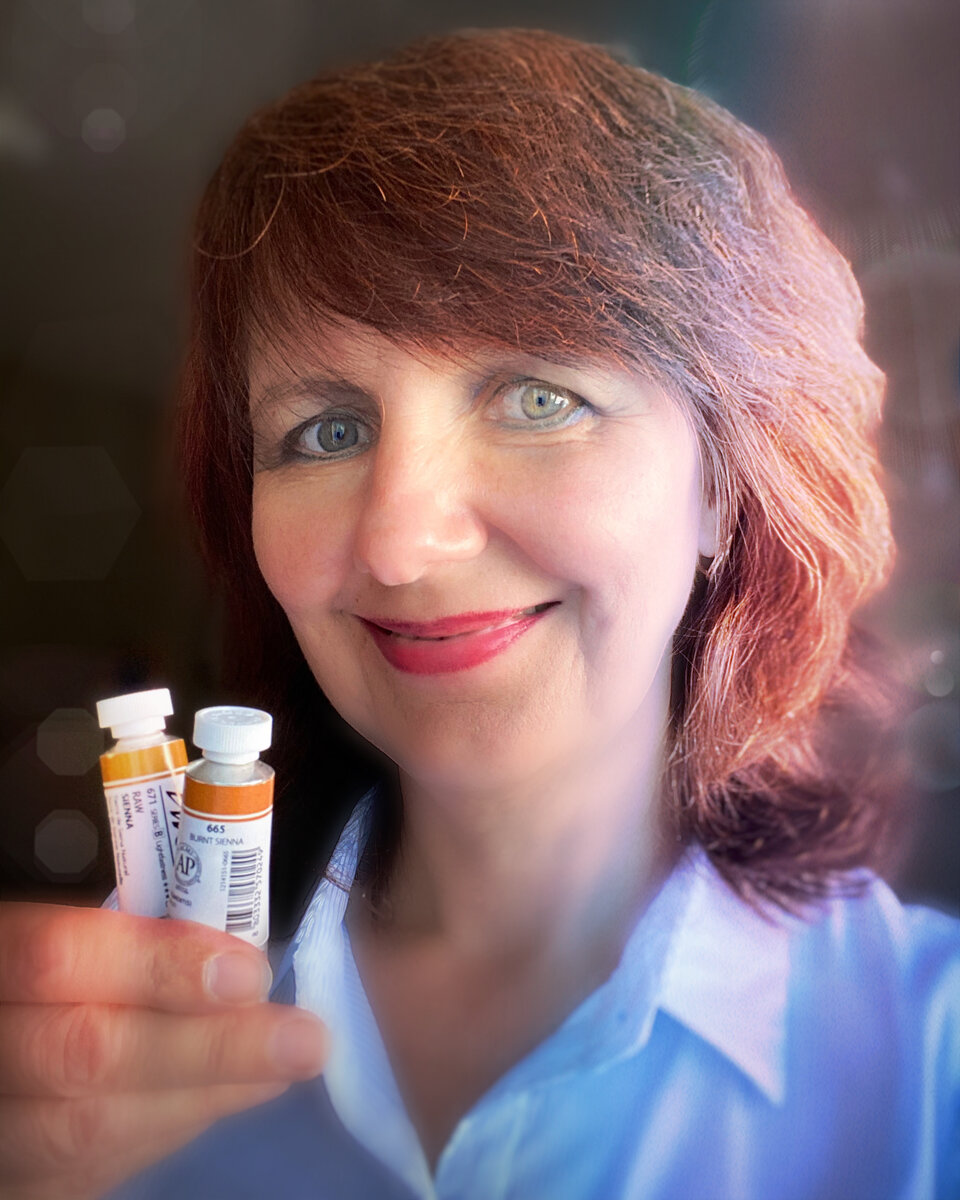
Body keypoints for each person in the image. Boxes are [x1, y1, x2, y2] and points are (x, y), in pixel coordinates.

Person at [1, 28, 957, 1200]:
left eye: (539, 398)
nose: (400, 545)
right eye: (327, 431)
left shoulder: (932, 1059)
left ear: (724, 485)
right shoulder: (97, 1028)